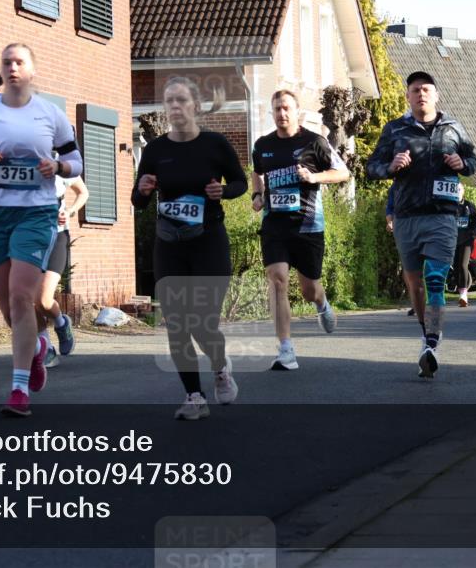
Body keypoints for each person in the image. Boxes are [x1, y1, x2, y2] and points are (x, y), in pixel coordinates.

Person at [0, 43, 82, 417]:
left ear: (31, 70)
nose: (12, 68)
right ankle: (37, 347)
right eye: (7, 62)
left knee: (23, 296)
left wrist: (58, 168)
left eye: (19, 62)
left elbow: (75, 161)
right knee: (9, 306)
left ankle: (19, 389)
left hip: (36, 214)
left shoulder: (50, 114)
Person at [133, 77, 245, 420]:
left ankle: (220, 366)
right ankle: (194, 396)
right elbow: (138, 200)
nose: (174, 106)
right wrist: (143, 189)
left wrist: (223, 192)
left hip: (209, 242)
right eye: (169, 101)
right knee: (177, 322)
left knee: (202, 322)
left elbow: (240, 182)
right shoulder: (155, 150)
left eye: (181, 100)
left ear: (195, 105)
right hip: (170, 245)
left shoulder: (214, 144)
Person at [366, 71, 476, 378]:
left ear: (436, 95)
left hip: (443, 215)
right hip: (407, 215)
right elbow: (371, 167)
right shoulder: (395, 129)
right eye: (415, 90)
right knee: (414, 283)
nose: (421, 94)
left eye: (426, 89)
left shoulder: (453, 127)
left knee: (435, 278)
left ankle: (431, 342)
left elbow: (472, 160)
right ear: (408, 97)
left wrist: (462, 164)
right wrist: (390, 167)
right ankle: (426, 332)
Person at [252, 90, 349, 371]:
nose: (282, 114)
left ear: (297, 111)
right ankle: (286, 349)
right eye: (277, 109)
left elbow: (343, 172)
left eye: (286, 108)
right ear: (272, 113)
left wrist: (314, 176)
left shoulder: (314, 142)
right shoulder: (263, 145)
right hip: (275, 225)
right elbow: (257, 172)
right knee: (277, 279)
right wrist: (257, 195)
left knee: (309, 290)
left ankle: (322, 303)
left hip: (307, 225)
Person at [40, 164, 88, 368]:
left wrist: (69, 211)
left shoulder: (60, 164)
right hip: (28, 240)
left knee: (43, 300)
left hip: (57, 237)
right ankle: (46, 348)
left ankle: (61, 323)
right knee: (28, 297)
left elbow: (83, 192)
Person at [387, 186, 416, 316]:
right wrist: (390, 222)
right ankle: (415, 301)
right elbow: (390, 208)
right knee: (408, 268)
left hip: (423, 227)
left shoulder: (423, 180)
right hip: (404, 229)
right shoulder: (395, 188)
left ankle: (429, 299)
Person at [453, 184, 476, 307]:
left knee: (463, 265)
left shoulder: (469, 205)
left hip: (466, 240)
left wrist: (475, 233)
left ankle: (463, 295)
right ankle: (460, 290)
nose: (457, 192)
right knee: (456, 267)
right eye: (455, 190)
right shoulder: (449, 206)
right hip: (453, 240)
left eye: (459, 189)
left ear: (463, 191)